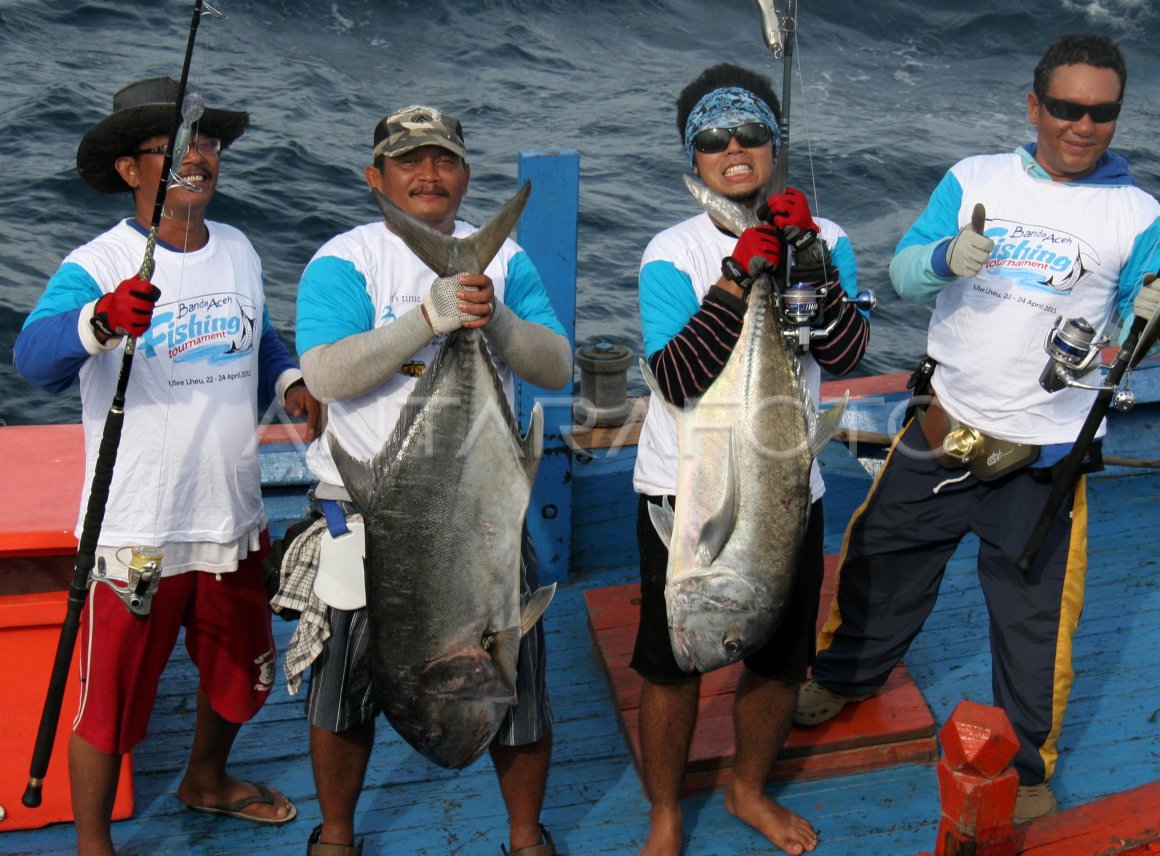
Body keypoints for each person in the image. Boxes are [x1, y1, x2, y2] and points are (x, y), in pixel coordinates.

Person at [794, 33, 1160, 823]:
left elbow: (1149, 331)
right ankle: (844, 679)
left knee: (1035, 618)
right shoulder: (975, 179)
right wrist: (945, 257)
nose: (1082, 125)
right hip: (944, 426)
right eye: (1066, 107)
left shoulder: (1138, 214)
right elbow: (902, 274)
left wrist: (1159, 316)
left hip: (1047, 456)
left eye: (1101, 112)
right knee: (880, 558)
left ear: (1116, 116)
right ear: (1034, 106)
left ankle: (1029, 763)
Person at [13, 76, 321, 855]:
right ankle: (92, 844)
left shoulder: (242, 249)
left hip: (232, 518)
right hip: (134, 532)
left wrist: (289, 385)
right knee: (109, 703)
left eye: (208, 142)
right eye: (177, 144)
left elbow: (260, 341)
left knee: (235, 677)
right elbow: (33, 358)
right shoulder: (99, 261)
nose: (199, 157)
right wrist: (99, 319)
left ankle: (206, 780)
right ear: (131, 170)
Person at [290, 104, 572, 856]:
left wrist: (495, 320)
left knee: (524, 699)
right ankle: (339, 838)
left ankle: (524, 838)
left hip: (486, 515)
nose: (429, 174)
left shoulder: (505, 264)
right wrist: (427, 318)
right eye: (409, 161)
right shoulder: (345, 261)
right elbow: (324, 373)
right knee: (343, 698)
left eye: (443, 160)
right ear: (375, 178)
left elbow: (556, 365)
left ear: (465, 176)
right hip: (376, 516)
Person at [633, 63, 871, 855]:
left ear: (775, 145)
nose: (733, 148)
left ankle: (745, 789)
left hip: (782, 486)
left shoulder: (828, 237)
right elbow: (675, 377)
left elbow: (842, 352)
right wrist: (741, 275)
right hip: (687, 491)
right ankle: (667, 811)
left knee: (778, 657)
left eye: (750, 134)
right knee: (670, 671)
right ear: (692, 156)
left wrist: (808, 255)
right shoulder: (671, 252)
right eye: (712, 137)